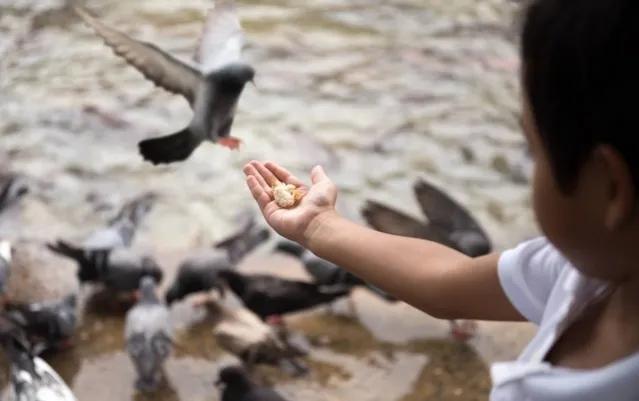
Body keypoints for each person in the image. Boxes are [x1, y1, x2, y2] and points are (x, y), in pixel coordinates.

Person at [243, 0, 639, 400]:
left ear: (609, 188)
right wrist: (319, 226)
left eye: (533, 153)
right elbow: (446, 282)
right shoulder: (582, 275)